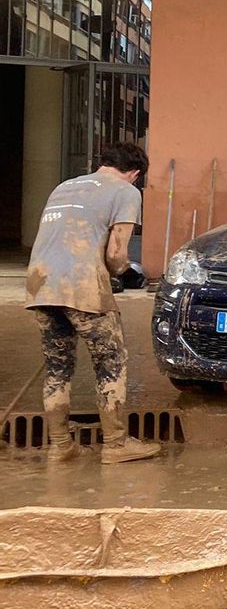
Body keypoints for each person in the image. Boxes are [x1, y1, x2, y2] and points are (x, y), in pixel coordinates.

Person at [26, 142, 161, 464]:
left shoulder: (64, 186)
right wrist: (127, 274)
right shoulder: (127, 192)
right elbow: (116, 253)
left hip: (41, 285)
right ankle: (116, 444)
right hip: (82, 286)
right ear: (136, 173)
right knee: (110, 361)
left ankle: (60, 445)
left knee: (58, 367)